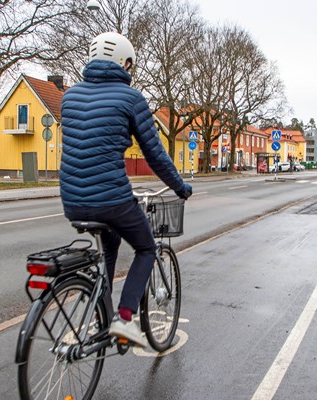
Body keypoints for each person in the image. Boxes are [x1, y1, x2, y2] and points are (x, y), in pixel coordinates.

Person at [59, 32, 192, 347]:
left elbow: (85, 149)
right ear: (124, 62)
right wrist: (180, 186)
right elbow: (155, 155)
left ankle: (100, 316)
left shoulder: (69, 96)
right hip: (110, 198)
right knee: (146, 248)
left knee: (111, 242)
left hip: (72, 199)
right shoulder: (130, 98)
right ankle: (125, 318)